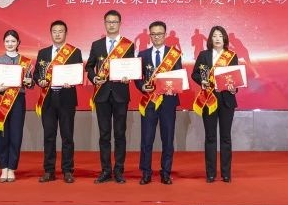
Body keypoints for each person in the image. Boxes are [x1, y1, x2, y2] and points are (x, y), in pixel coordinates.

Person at [85, 9, 136, 183]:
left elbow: (131, 66)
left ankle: (119, 170)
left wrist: (128, 76)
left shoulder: (127, 45)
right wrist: (94, 78)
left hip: (121, 94)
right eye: (108, 22)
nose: (111, 24)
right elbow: (89, 67)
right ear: (105, 24)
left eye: (114, 22)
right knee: (104, 134)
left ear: (120, 24)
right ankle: (106, 170)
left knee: (120, 134)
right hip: (102, 95)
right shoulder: (97, 45)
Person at [33, 20, 84, 183]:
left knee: (67, 136)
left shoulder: (74, 52)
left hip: (67, 98)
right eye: (54, 31)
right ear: (51, 33)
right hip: (48, 99)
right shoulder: (43, 53)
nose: (57, 34)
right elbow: (36, 74)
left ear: (66, 33)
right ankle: (49, 171)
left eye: (60, 31)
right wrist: (40, 81)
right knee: (49, 136)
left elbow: (78, 74)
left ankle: (68, 170)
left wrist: (72, 82)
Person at [191, 25, 240, 183]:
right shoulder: (204, 55)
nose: (217, 38)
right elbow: (194, 74)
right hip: (209, 99)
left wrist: (234, 88)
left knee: (226, 137)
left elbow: (235, 78)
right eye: (214, 36)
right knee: (210, 137)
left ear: (224, 39)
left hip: (227, 100)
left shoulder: (231, 56)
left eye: (220, 36)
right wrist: (202, 81)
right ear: (210, 39)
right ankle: (210, 173)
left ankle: (226, 173)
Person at [135, 21, 182, 185]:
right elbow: (138, 78)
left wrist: (172, 88)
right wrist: (142, 87)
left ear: (165, 35)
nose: (156, 37)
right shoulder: (142, 54)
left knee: (167, 138)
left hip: (168, 101)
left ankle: (166, 172)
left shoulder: (174, 54)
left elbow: (178, 76)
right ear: (150, 35)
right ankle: (146, 173)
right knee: (146, 138)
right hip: (149, 101)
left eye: (160, 34)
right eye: (153, 34)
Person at [0, 29, 32, 183]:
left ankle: (11, 168)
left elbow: (30, 83)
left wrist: (29, 82)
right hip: (1, 101)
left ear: (18, 43)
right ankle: (3, 168)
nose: (10, 44)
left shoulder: (26, 61)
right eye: (7, 41)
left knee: (16, 135)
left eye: (13, 41)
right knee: (1, 135)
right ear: (3, 43)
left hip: (18, 101)